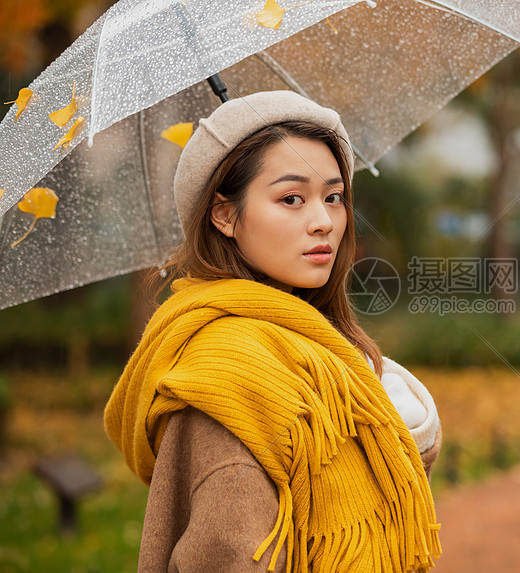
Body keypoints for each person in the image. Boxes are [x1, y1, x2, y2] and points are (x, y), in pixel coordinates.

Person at [104, 91, 442, 572]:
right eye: (291, 199)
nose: (324, 221)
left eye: (333, 197)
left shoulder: (318, 347)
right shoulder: (229, 370)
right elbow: (231, 556)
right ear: (224, 215)